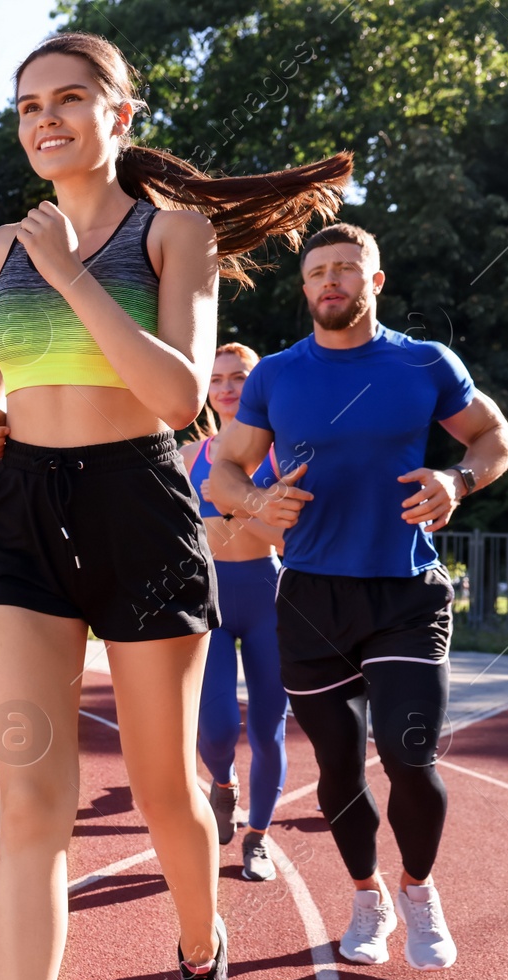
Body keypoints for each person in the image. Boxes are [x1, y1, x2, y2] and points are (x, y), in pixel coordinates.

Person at [0, 32, 351, 980]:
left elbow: (179, 395)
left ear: (119, 116)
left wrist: (66, 270)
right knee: (29, 800)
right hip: (21, 518)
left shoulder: (172, 234)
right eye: (26, 106)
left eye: (68, 99)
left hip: (137, 503)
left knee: (161, 785)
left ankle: (198, 943)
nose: (43, 119)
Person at [207, 222, 508, 972]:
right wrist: (254, 505)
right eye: (318, 272)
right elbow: (225, 472)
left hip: (406, 588)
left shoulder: (424, 363)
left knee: (410, 755)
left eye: (347, 268)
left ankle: (417, 886)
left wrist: (458, 480)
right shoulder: (278, 374)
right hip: (311, 596)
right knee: (340, 769)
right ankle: (366, 892)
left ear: (375, 282)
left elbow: (495, 436)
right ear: (304, 286)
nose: (331, 281)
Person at [180, 343, 290, 883]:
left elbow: (293, 541)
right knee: (218, 725)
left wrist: (236, 503)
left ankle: (258, 839)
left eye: (240, 377)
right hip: (211, 598)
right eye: (217, 378)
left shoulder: (280, 454)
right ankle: (222, 781)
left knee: (269, 729)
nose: (226, 387)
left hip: (266, 594)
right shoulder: (186, 457)